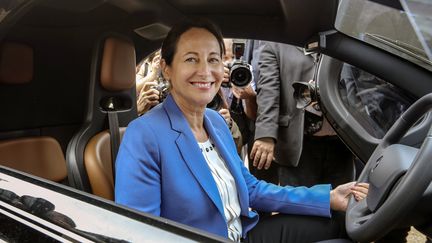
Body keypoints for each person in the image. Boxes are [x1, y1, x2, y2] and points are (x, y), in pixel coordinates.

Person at [115, 18, 368, 242]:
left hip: (243, 233)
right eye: (191, 58)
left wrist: (329, 197)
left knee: (339, 227)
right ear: (166, 67)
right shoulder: (143, 135)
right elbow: (142, 232)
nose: (205, 71)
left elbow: (251, 190)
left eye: (213, 59)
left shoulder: (215, 122)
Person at [251, 42, 354, 188]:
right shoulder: (275, 46)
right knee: (301, 207)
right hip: (298, 143)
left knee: (343, 206)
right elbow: (268, 93)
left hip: (342, 143)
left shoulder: (341, 41)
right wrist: (266, 135)